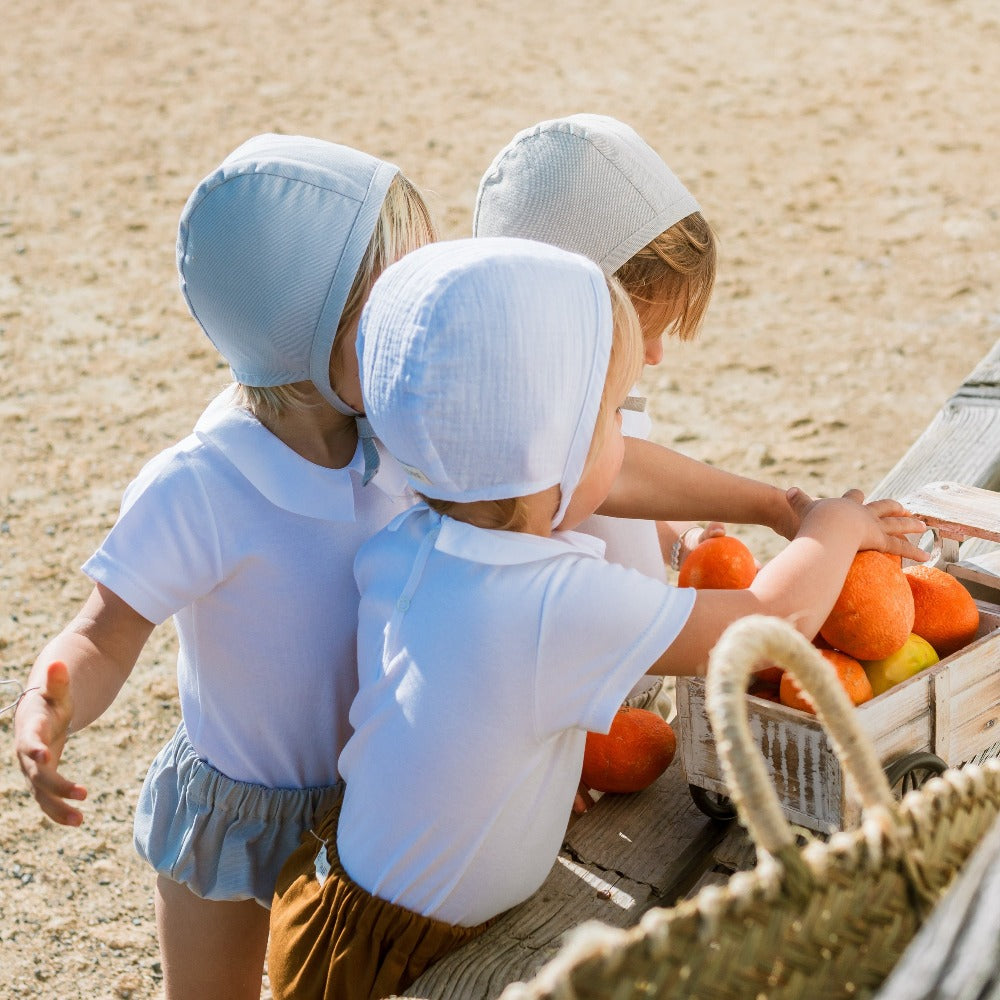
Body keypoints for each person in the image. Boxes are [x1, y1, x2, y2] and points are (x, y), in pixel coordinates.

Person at [267, 237, 928, 1000]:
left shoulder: (419, 533)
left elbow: (599, 478)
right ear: (551, 457)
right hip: (415, 961)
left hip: (339, 902)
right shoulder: (549, 605)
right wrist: (834, 532)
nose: (626, 434)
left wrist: (776, 506)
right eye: (613, 413)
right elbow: (765, 621)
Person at [13, 133, 436, 1000]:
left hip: (376, 800)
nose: (419, 322)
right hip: (236, 813)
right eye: (392, 304)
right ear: (307, 329)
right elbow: (105, 631)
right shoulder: (205, 485)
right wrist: (48, 704)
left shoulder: (403, 439)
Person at [473, 113, 792, 577]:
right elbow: (619, 473)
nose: (656, 355)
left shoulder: (594, 382)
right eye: (643, 333)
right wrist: (779, 507)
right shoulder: (525, 433)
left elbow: (621, 495)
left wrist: (680, 541)